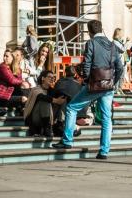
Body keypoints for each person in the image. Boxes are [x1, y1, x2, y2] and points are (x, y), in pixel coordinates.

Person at [53, 19, 125, 160]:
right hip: (108, 86)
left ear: (90, 31)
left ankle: (67, 141)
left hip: (94, 85)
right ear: (101, 29)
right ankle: (104, 151)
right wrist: (113, 83)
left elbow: (87, 64)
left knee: (71, 108)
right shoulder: (112, 45)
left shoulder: (91, 43)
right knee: (106, 118)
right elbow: (120, 67)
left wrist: (86, 79)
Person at [24, 70, 59, 138]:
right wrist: (56, 100)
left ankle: (59, 125)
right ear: (43, 78)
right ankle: (47, 128)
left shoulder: (52, 90)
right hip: (34, 119)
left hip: (48, 118)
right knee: (45, 101)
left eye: (53, 77)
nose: (52, 79)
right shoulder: (36, 89)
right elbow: (41, 96)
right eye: (49, 77)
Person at [0, 48, 26, 113]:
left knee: (27, 94)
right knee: (24, 98)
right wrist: (23, 82)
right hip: (4, 96)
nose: (4, 58)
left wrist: (17, 68)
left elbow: (19, 80)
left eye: (7, 56)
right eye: (4, 56)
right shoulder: (2, 67)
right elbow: (12, 80)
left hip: (12, 94)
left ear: (12, 58)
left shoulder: (16, 68)